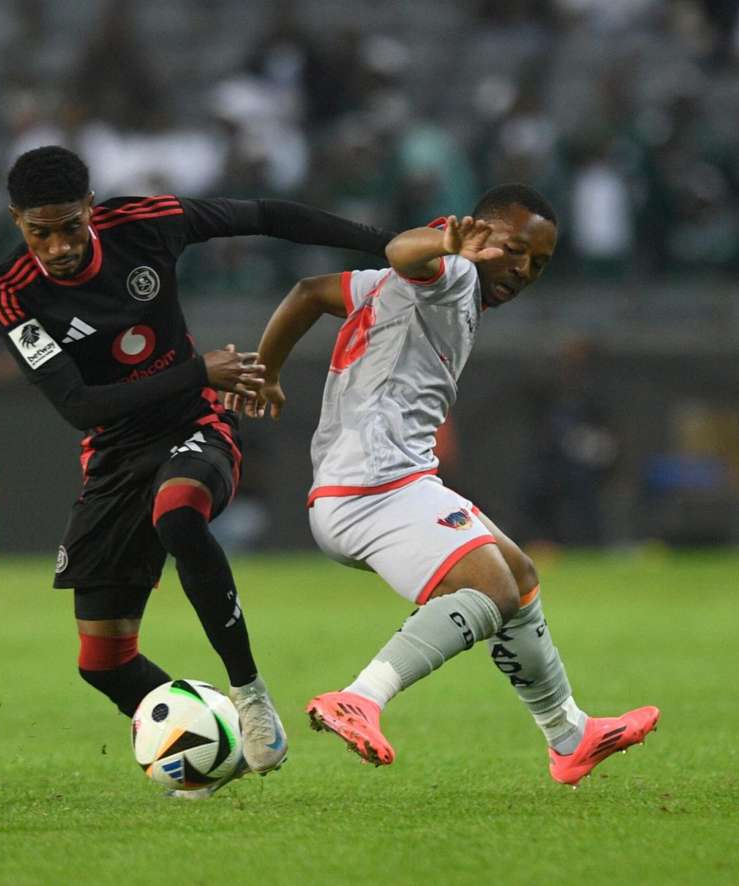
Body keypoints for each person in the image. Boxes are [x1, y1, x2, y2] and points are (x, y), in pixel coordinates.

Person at [0, 145, 392, 794]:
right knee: (103, 662)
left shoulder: (145, 225)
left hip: (194, 425)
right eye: (40, 233)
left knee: (177, 515)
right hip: (113, 453)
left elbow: (265, 215)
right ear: (16, 222)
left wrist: (386, 243)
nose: (58, 247)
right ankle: (209, 745)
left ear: (91, 208)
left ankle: (250, 698)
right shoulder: (9, 294)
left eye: (70, 227)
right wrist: (201, 368)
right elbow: (78, 406)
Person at [234, 184, 659, 786]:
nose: (523, 269)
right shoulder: (451, 274)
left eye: (539, 263)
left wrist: (267, 372)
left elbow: (308, 292)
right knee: (493, 588)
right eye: (515, 250)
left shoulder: (401, 289)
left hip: (389, 481)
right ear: (478, 234)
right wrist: (445, 244)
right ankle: (361, 698)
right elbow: (402, 252)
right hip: (372, 487)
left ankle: (570, 736)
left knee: (519, 578)